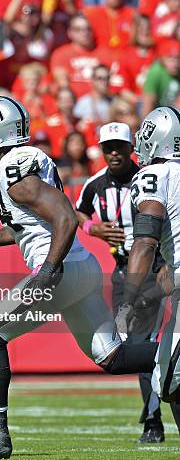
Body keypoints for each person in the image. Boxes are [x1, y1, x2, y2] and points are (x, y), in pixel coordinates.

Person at [0, 97, 160, 458]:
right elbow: (27, 226)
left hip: (61, 269)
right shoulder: (21, 165)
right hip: (81, 266)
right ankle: (177, 355)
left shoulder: (13, 168)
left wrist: (49, 269)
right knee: (114, 357)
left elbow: (65, 217)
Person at [75, 122, 168, 443]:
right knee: (127, 349)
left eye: (120, 147)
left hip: (154, 271)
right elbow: (74, 213)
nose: (113, 153)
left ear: (132, 148)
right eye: (107, 147)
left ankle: (153, 422)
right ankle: (154, 414)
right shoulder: (95, 184)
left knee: (144, 346)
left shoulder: (149, 179)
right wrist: (92, 229)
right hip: (121, 272)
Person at [117, 106, 180, 432]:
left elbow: (144, 241)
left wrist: (128, 300)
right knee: (168, 377)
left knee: (168, 378)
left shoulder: (154, 176)